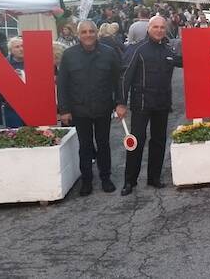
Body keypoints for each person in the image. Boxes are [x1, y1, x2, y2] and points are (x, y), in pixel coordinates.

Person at [117, 16, 183, 195]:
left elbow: (186, 62)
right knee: (136, 142)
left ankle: (154, 177)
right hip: (141, 104)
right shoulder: (137, 49)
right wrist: (121, 103)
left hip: (162, 104)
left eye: (162, 27)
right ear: (148, 28)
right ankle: (129, 181)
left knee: (159, 141)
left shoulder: (168, 49)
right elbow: (124, 77)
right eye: (156, 27)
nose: (159, 30)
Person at [57, 21, 122, 196]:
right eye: (84, 32)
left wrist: (121, 103)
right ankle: (86, 180)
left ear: (96, 33)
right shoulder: (69, 55)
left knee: (103, 144)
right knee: (84, 146)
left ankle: (106, 178)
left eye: (91, 31)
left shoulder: (109, 53)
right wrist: (64, 110)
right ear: (79, 35)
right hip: (79, 109)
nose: (88, 35)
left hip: (103, 107)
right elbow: (62, 84)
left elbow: (118, 80)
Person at [3, 37, 26, 128]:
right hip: (12, 108)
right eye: (17, 47)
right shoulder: (5, 64)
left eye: (22, 46)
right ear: (10, 51)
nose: (21, 49)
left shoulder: (33, 61)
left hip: (33, 105)